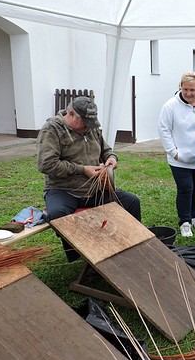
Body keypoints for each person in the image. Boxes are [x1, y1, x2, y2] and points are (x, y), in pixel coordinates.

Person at [37, 96, 141, 261]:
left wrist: (111, 158)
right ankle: (85, 257)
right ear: (71, 114)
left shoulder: (91, 128)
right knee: (58, 215)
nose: (88, 127)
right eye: (84, 122)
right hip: (63, 189)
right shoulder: (52, 130)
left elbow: (106, 150)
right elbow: (46, 164)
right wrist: (82, 170)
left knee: (131, 201)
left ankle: (132, 246)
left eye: (90, 123)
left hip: (93, 189)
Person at [159, 72, 195, 237]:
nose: (188, 93)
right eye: (185, 89)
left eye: (192, 90)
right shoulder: (170, 106)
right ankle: (185, 221)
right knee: (185, 188)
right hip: (179, 158)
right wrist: (173, 152)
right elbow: (164, 130)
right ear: (180, 87)